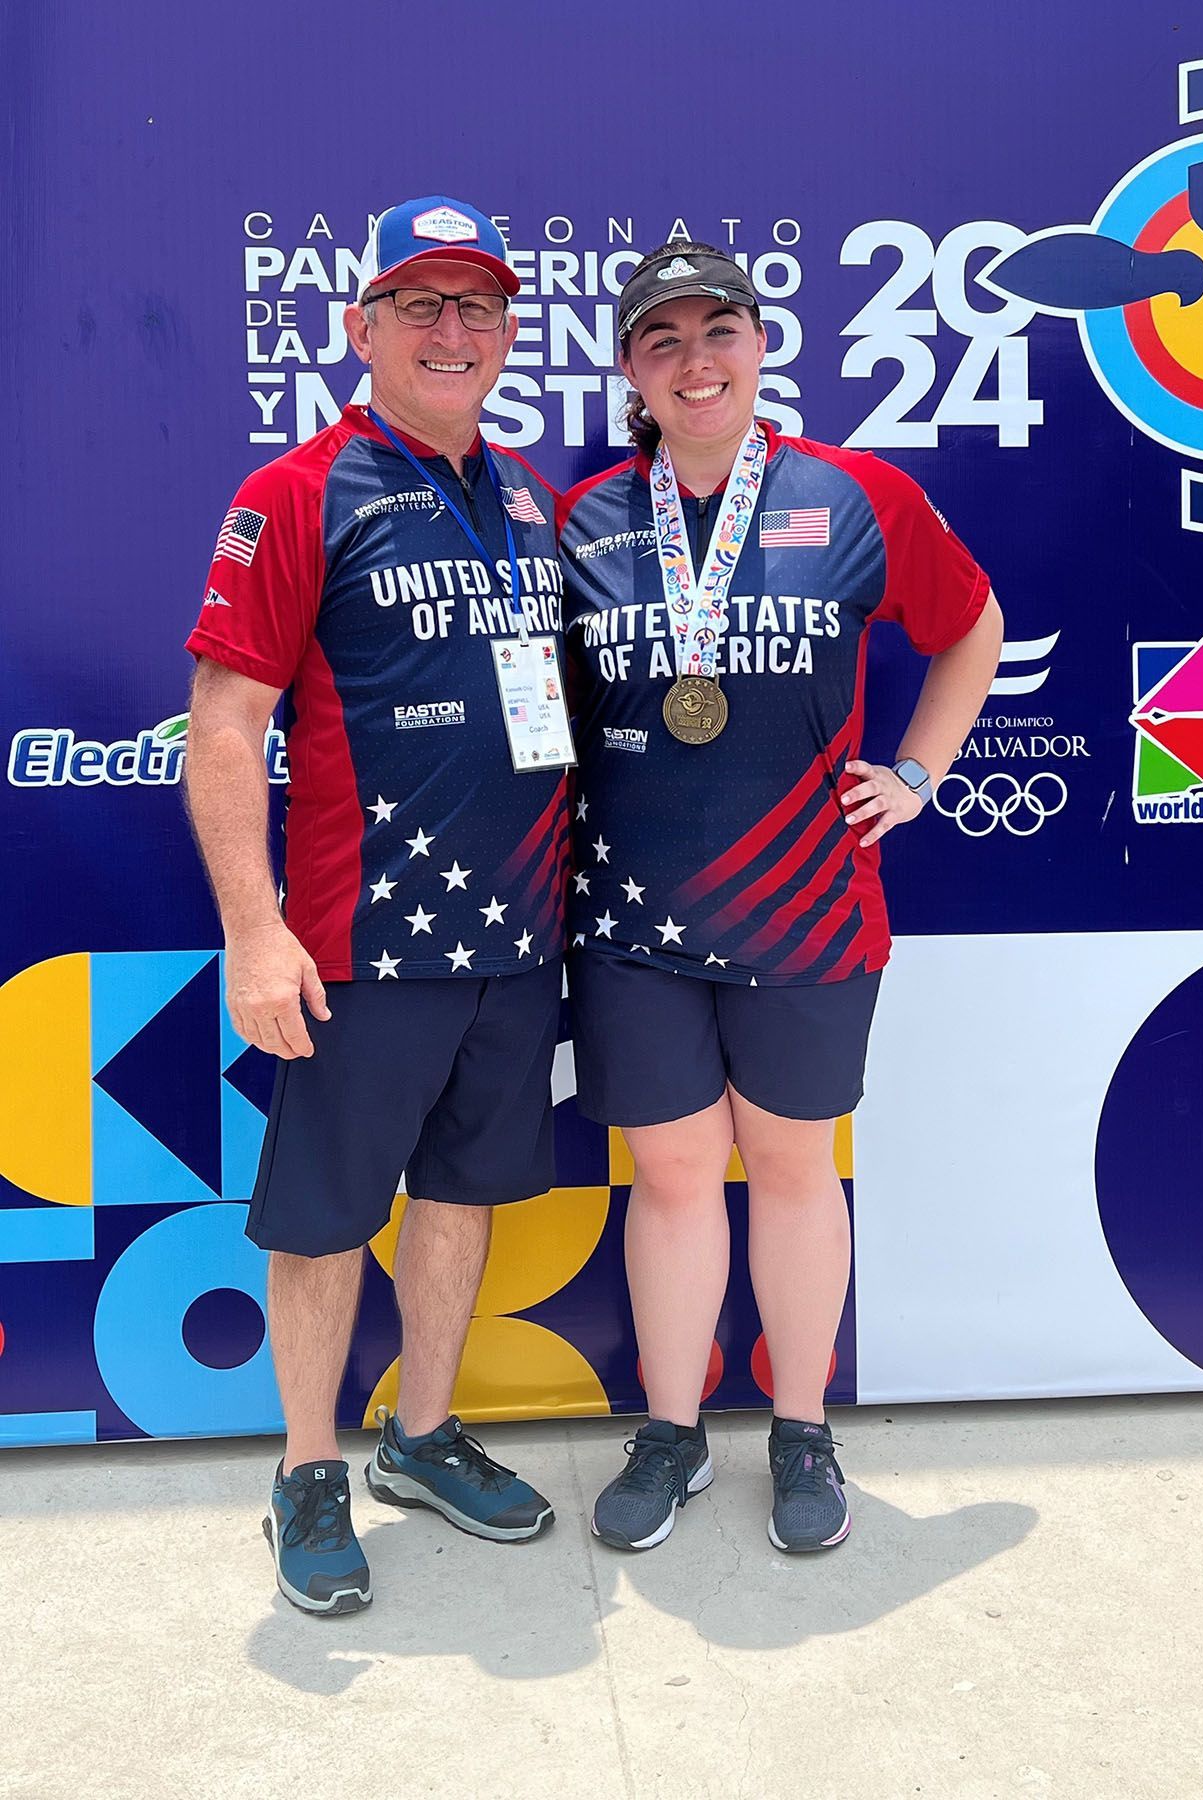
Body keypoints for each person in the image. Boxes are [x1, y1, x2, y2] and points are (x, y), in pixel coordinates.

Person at [558, 241, 1003, 1554]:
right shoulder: (582, 519)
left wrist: (917, 772)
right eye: (662, 341)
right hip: (632, 918)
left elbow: (969, 624)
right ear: (629, 371)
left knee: (795, 1166)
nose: (695, 362)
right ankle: (671, 1431)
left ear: (759, 346)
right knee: (677, 1174)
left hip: (809, 906)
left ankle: (801, 1430)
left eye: (718, 333)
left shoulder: (856, 497)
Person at [184, 195, 572, 1615]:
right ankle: (303, 1472)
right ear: (362, 330)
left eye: (478, 308)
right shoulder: (294, 493)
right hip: (361, 947)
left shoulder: (527, 491)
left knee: (464, 1198)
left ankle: (418, 1440)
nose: (453, 332)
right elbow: (222, 727)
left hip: (518, 938)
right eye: (422, 306)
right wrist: (254, 926)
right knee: (326, 1221)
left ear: (510, 333)